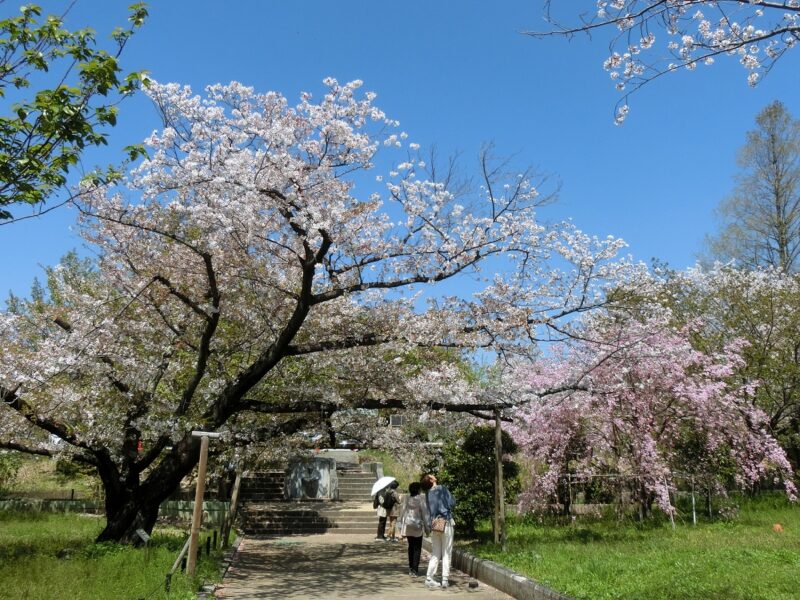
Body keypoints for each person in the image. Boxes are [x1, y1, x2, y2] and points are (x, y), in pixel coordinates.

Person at [420, 473, 456, 589]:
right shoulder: (442, 488)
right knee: (446, 552)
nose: (434, 475)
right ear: (431, 479)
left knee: (435, 553)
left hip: (435, 524)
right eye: (432, 475)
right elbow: (452, 503)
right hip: (446, 522)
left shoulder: (427, 494)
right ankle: (445, 579)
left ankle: (429, 577)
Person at [398, 481, 429, 576]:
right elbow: (424, 514)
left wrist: (400, 525)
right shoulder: (421, 500)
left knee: (410, 547)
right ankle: (415, 569)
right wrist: (427, 528)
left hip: (408, 527)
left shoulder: (407, 498)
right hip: (417, 527)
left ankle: (411, 568)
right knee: (417, 549)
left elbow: (402, 512)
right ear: (418, 490)